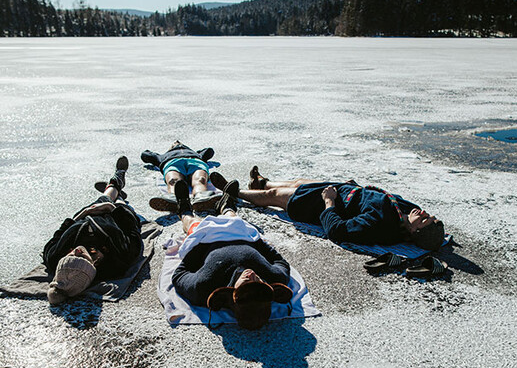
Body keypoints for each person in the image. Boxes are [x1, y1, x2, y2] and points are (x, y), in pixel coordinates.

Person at [209, 166, 445, 251]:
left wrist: (329, 201)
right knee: (298, 182)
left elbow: (338, 231)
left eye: (424, 220)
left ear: (414, 233)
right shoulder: (410, 210)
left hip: (319, 203)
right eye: (428, 215)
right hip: (346, 190)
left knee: (276, 196)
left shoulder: (380, 225)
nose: (423, 213)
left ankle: (234, 192)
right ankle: (262, 181)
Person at [170, 178, 293, 329]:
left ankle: (184, 210)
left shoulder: (203, 287)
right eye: (259, 281)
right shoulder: (276, 278)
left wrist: (199, 247)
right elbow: (280, 262)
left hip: (207, 240)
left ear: (234, 293)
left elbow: (179, 275)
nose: (252, 275)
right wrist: (259, 243)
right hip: (241, 235)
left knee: (194, 225)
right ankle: (226, 206)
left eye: (247, 282)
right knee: (234, 218)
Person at [43, 156, 143, 304]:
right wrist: (113, 209)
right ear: (94, 264)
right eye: (81, 257)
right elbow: (132, 231)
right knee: (121, 204)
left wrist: (84, 213)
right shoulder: (119, 260)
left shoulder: (54, 257)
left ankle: (115, 182)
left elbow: (60, 232)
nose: (76, 251)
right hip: (119, 217)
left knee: (104, 198)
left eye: (69, 254)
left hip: (89, 214)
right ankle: (118, 193)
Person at [141, 140, 221, 211]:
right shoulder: (163, 156)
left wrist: (193, 151)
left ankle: (202, 198)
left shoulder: (196, 154)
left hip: (195, 161)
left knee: (200, 179)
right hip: (173, 162)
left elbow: (209, 151)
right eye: (174, 143)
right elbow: (145, 155)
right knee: (174, 181)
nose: (177, 142)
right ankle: (173, 199)